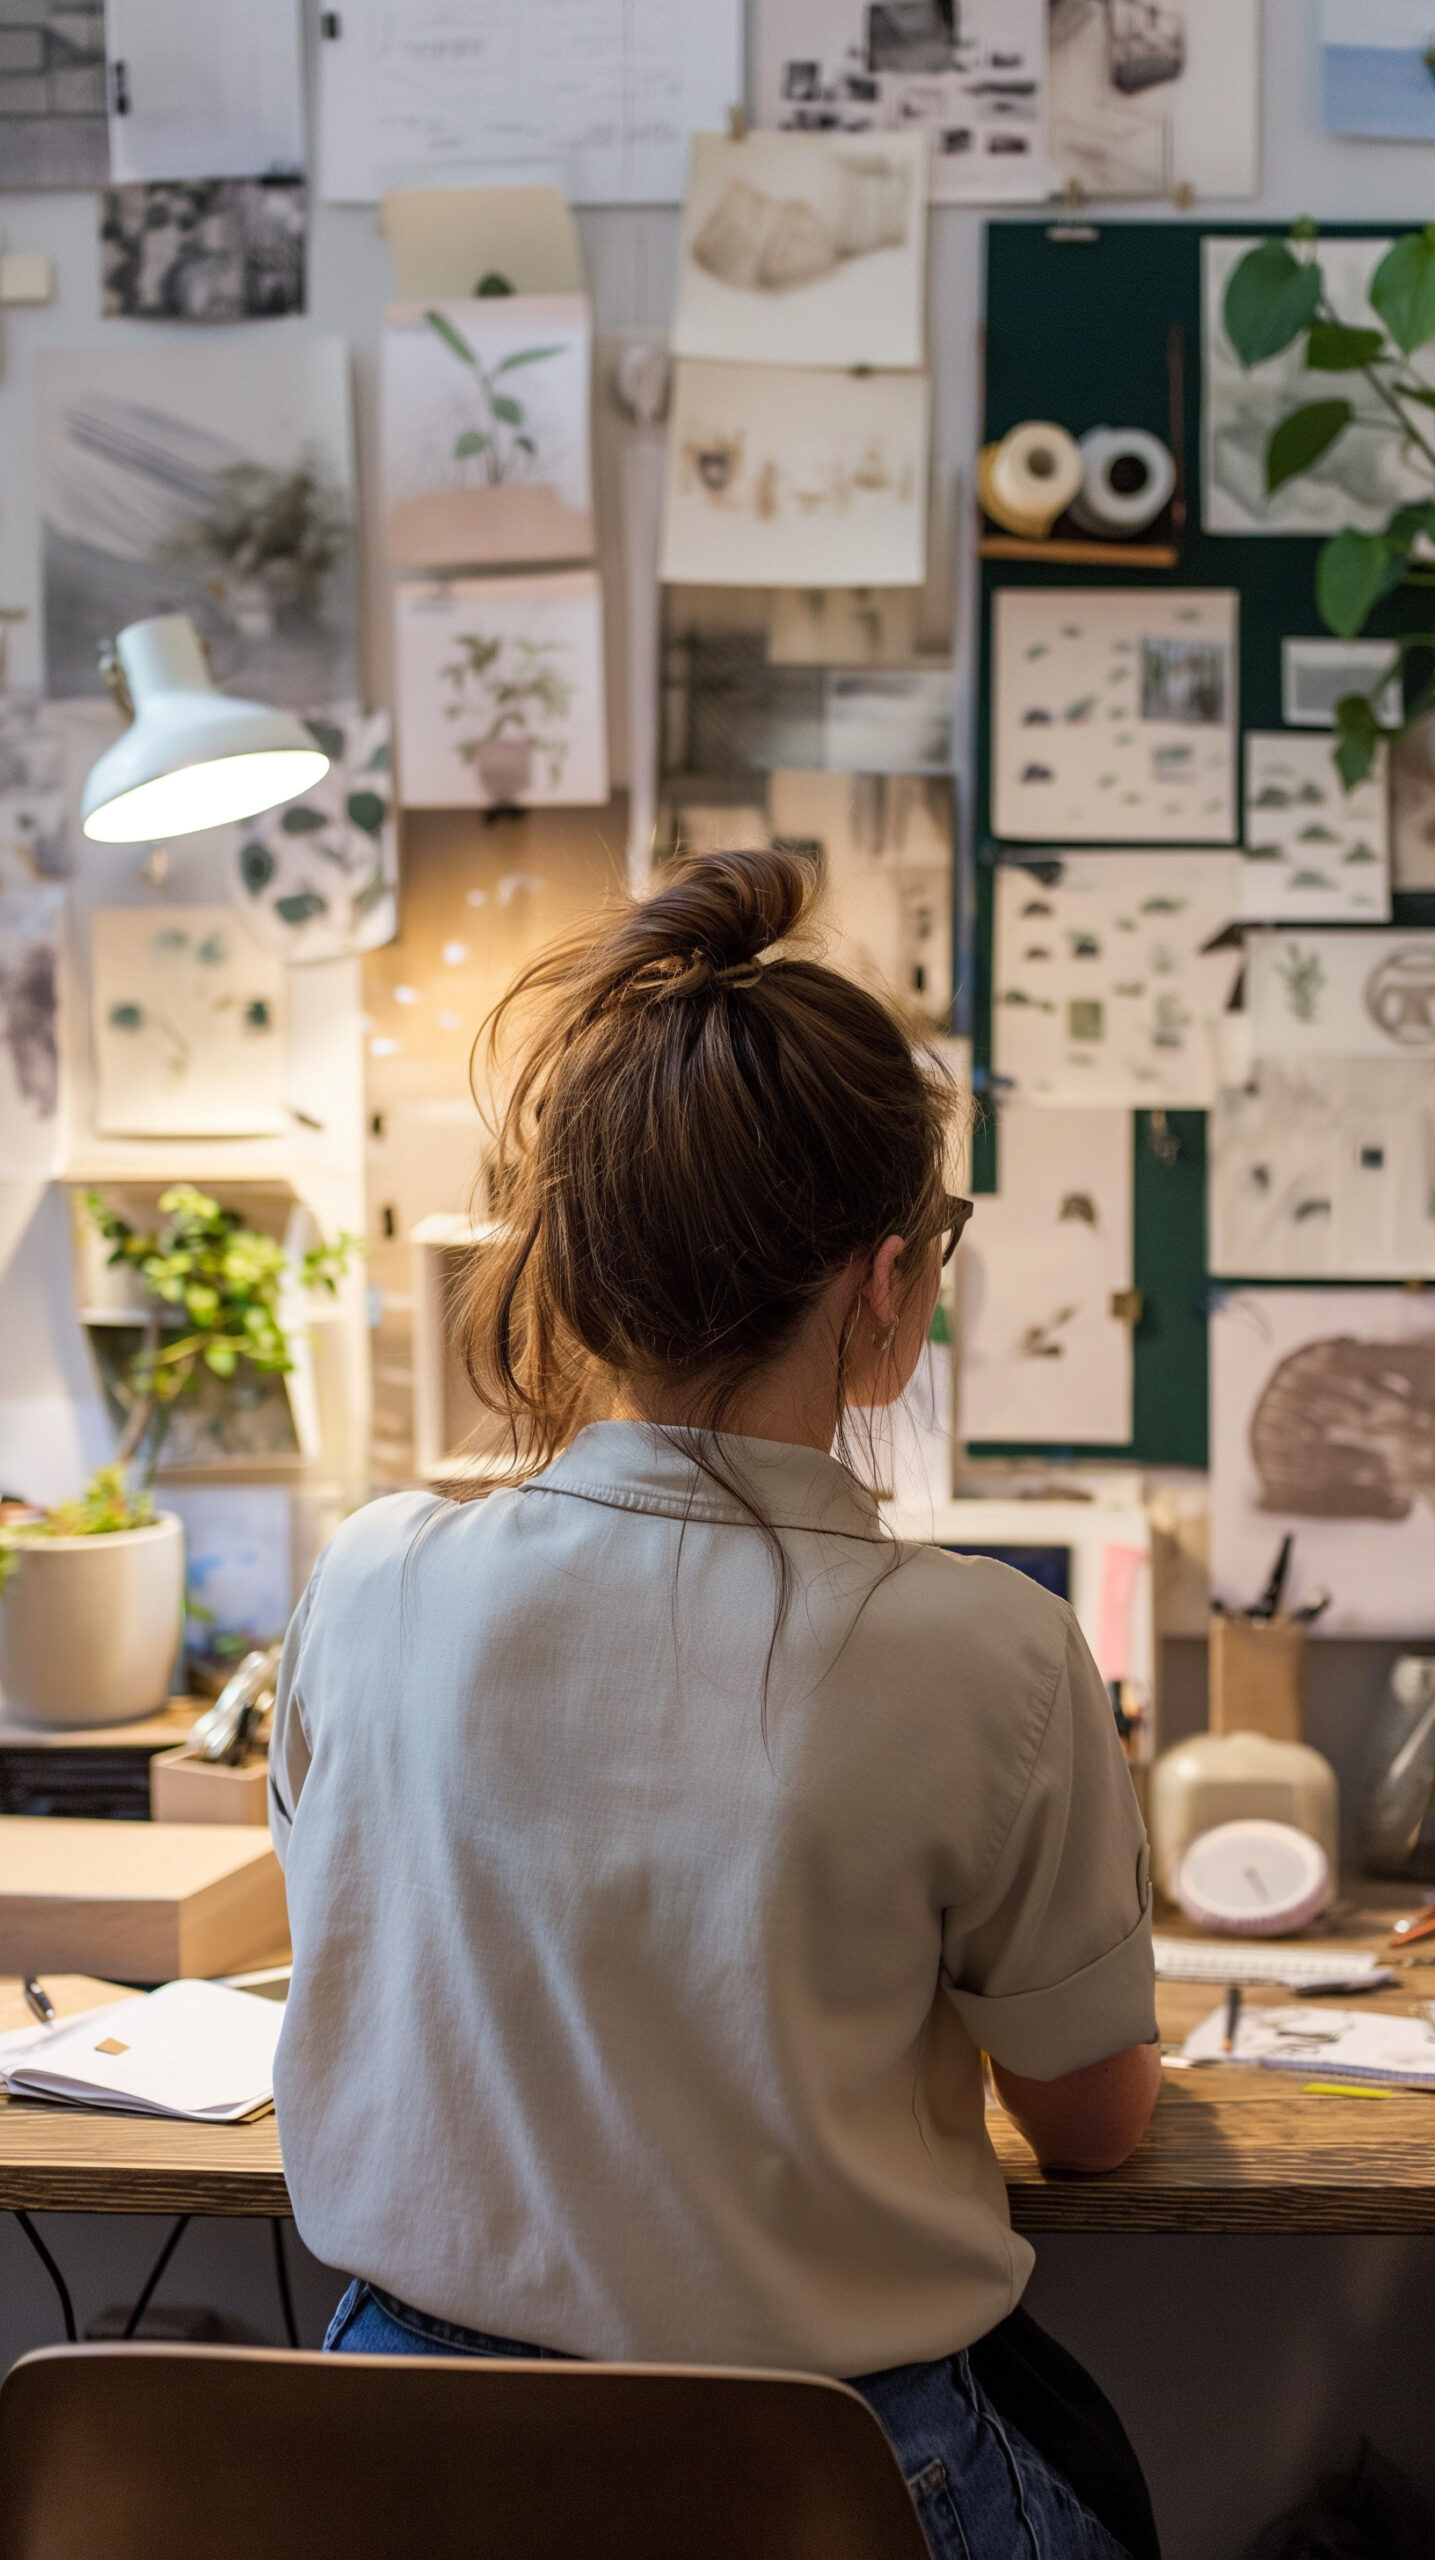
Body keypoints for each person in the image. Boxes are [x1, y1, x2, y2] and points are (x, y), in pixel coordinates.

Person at [270, 848, 1162, 2560]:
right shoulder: (989, 1651)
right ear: (888, 1282)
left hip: (383, 2462)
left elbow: (353, 1941)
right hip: (821, 2484)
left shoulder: (368, 1576)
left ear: (577, 1267)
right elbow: (1098, 2124)